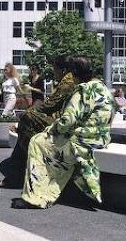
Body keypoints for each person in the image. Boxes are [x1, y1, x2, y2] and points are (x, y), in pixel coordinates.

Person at [12, 56, 115, 209]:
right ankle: (48, 190)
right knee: (48, 143)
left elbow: (68, 120)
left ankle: (35, 197)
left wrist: (51, 129)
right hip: (99, 139)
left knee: (37, 141)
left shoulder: (82, 90)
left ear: (73, 73)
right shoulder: (101, 87)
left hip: (81, 140)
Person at [0, 56, 78, 188]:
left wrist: (33, 109)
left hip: (65, 124)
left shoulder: (68, 80)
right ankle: (19, 169)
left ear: (62, 70)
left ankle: (21, 168)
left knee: (26, 118)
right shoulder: (70, 79)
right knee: (25, 124)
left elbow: (51, 104)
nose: (54, 73)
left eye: (55, 69)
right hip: (65, 122)